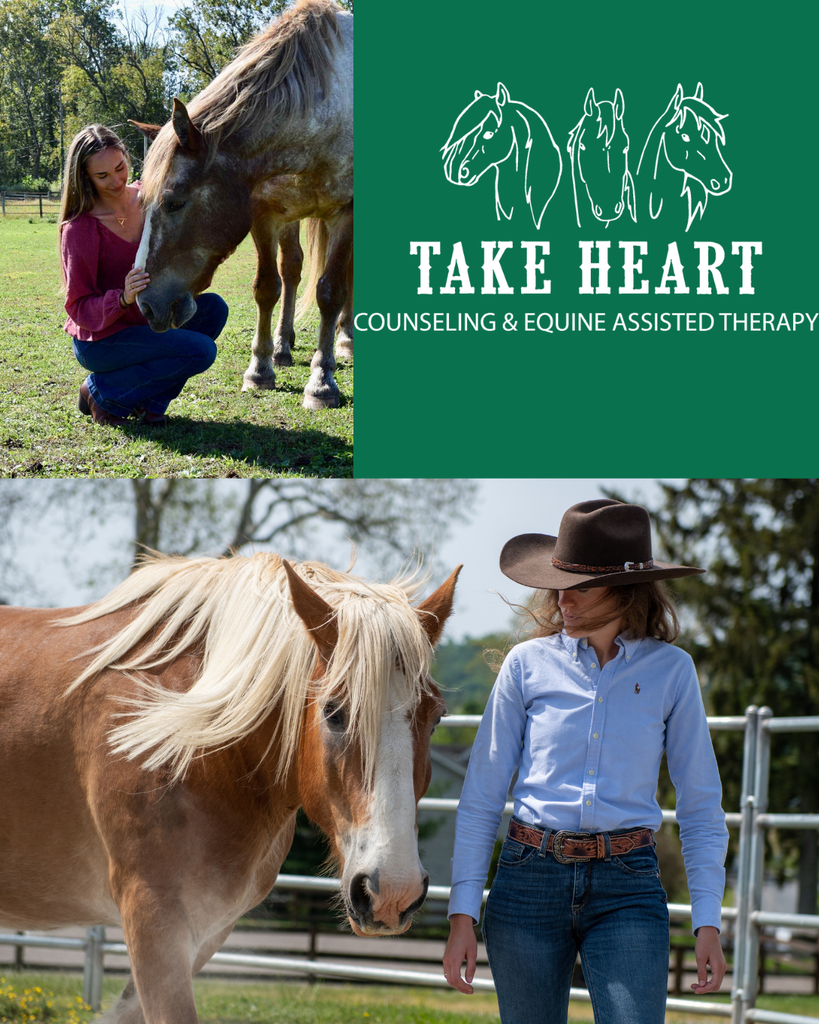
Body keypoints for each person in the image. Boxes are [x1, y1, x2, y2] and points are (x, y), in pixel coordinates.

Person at [443, 499, 729, 1024]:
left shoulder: (673, 672)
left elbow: (701, 805)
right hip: (527, 883)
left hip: (628, 886)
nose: (562, 598)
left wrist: (708, 921)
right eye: (559, 583)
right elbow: (482, 795)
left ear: (624, 589)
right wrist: (463, 912)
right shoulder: (525, 667)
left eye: (580, 586)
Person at [58, 124, 228, 426]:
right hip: (103, 340)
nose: (116, 180)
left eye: (120, 167)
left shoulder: (150, 200)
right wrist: (121, 298)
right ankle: (101, 394)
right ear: (85, 177)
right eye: (102, 176)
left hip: (146, 321)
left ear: (127, 157)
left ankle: (150, 403)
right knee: (200, 351)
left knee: (214, 310)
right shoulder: (80, 229)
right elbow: (78, 307)